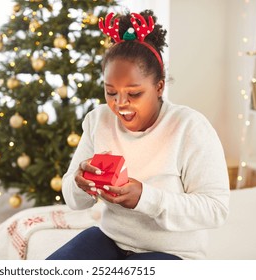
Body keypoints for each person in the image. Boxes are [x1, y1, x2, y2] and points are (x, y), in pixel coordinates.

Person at [46, 10, 230, 260]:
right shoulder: (99, 120)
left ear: (159, 87)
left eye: (133, 94)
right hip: (110, 239)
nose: (120, 104)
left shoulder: (190, 128)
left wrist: (145, 197)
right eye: (111, 92)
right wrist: (81, 183)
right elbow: (74, 201)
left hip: (172, 252)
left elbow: (216, 209)